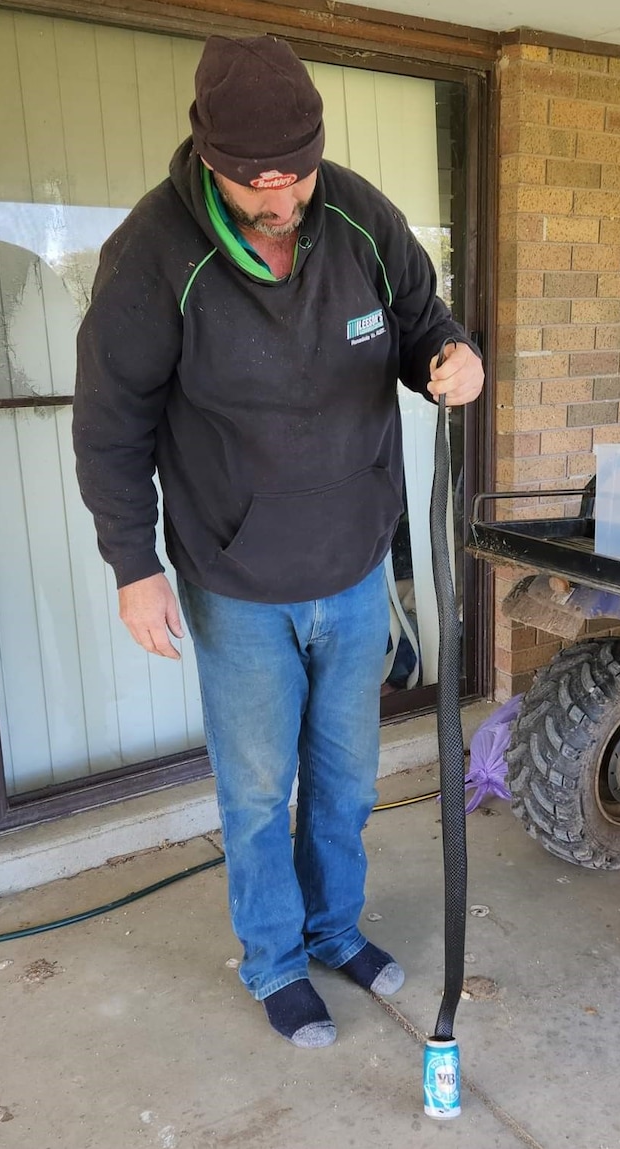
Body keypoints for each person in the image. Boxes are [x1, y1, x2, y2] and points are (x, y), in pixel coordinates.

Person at [73, 33, 484, 1049]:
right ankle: (272, 958)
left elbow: (422, 322)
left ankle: (334, 931)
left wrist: (453, 357)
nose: (279, 198)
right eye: (256, 181)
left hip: (349, 567)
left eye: (294, 174)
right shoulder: (153, 253)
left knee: (344, 782)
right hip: (235, 578)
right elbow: (109, 419)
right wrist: (135, 566)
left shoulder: (356, 214)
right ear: (208, 157)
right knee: (258, 794)